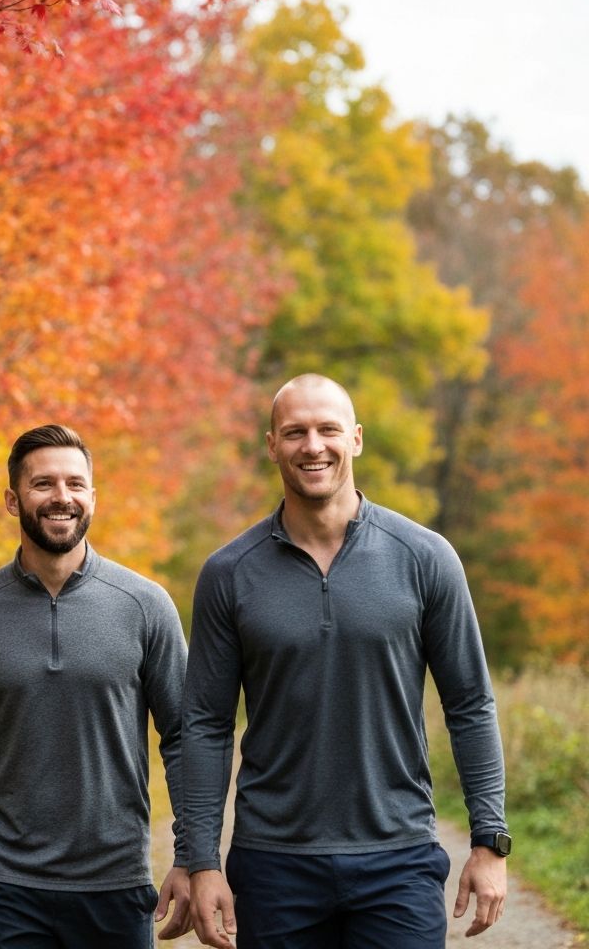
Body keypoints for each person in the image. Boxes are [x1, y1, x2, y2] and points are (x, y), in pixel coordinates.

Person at [182, 374, 509, 949]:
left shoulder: (426, 558)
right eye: (295, 432)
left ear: (355, 439)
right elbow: (206, 725)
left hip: (398, 859)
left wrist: (490, 839)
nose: (313, 445)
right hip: (273, 863)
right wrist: (201, 860)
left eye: (327, 429)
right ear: (271, 445)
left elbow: (470, 705)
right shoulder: (229, 572)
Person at [0, 424, 191, 949]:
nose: (62, 497)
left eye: (76, 484)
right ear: (14, 501)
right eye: (44, 485)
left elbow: (183, 739)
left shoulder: (146, 606)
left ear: (93, 497)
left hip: (116, 884)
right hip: (2, 886)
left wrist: (193, 856)